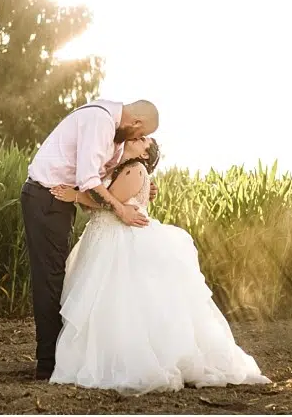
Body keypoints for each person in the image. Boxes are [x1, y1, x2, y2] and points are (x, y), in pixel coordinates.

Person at [47, 137, 272, 394]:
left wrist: (75, 195)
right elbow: (102, 203)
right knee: (106, 304)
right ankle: (103, 356)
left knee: (116, 302)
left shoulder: (135, 169)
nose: (136, 138)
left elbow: (107, 203)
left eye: (143, 139)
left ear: (145, 153)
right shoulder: (120, 169)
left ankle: (123, 361)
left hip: (118, 239)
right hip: (105, 236)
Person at [21, 99, 160, 380]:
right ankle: (48, 364)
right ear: (137, 124)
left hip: (59, 201)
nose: (137, 140)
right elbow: (88, 181)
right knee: (50, 279)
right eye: (140, 135)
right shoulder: (101, 121)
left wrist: (140, 187)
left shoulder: (115, 135)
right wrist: (122, 208)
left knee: (57, 278)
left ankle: (59, 358)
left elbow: (100, 181)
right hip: (46, 197)